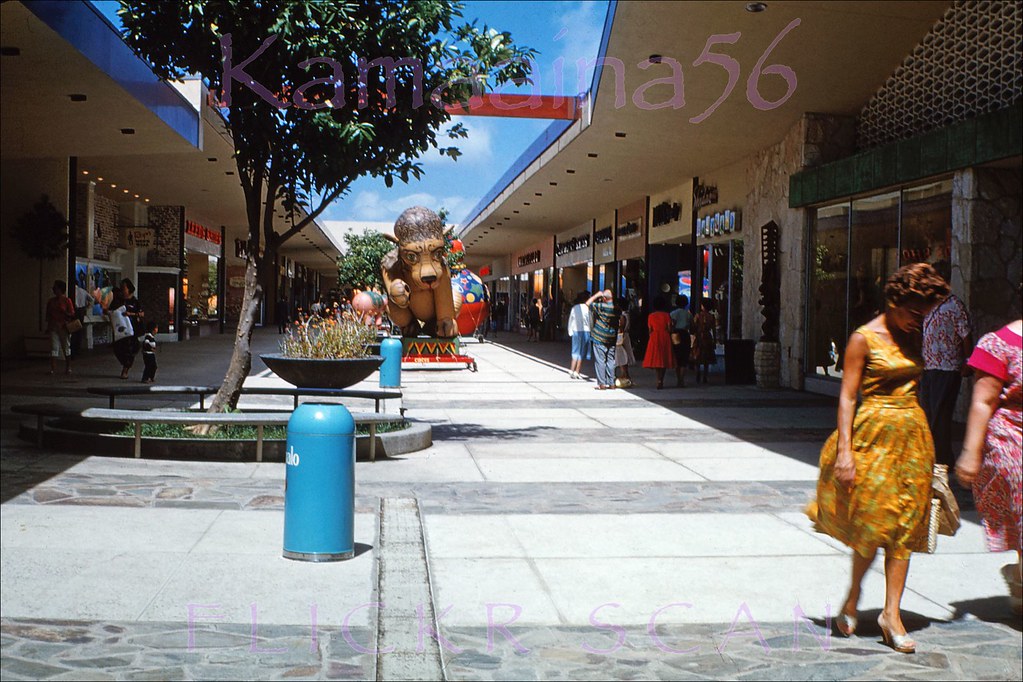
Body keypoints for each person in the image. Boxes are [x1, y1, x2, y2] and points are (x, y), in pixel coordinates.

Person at [806, 262, 949, 654]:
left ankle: (891, 614)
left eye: (925, 314)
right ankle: (852, 597)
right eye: (913, 312)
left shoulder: (914, 336)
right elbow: (848, 396)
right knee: (871, 527)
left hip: (912, 438)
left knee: (904, 527)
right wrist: (846, 453)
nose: (919, 321)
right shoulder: (863, 339)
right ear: (893, 301)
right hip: (872, 435)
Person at [955, 317, 1022, 616]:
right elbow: (983, 401)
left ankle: (1019, 577)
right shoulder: (1000, 343)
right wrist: (971, 451)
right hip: (1012, 437)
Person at [919, 262, 973, 470]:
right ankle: (936, 454)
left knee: (941, 414)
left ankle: (942, 459)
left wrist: (968, 362)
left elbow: (966, 335)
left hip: (948, 366)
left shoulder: (955, 305)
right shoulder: (928, 305)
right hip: (929, 365)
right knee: (930, 412)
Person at [109, 278, 143, 380]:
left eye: (124, 288)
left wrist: (131, 314)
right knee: (118, 349)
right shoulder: (119, 301)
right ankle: (124, 364)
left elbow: (141, 314)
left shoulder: (135, 302)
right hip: (120, 330)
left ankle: (125, 370)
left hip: (132, 330)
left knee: (129, 350)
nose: (123, 291)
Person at [587, 289, 617, 390]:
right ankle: (612, 383)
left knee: (600, 361)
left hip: (599, 337)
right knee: (611, 360)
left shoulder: (601, 306)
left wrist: (596, 295)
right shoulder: (617, 309)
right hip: (611, 338)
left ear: (604, 298)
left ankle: (602, 384)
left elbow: (587, 304)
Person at [643, 296, 675, 389]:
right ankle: (662, 379)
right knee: (664, 358)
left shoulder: (651, 316)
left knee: (657, 359)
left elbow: (650, 329)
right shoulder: (667, 315)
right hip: (665, 337)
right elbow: (669, 328)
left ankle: (658, 380)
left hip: (654, 337)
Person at [45, 280, 75, 375]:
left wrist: (64, 312)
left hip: (63, 326)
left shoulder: (67, 301)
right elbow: (48, 315)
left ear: (60, 289)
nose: (54, 290)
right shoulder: (51, 301)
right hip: (54, 326)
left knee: (66, 346)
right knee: (54, 347)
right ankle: (53, 368)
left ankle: (68, 366)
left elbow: (72, 314)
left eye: (55, 288)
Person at [567, 291, 592, 379]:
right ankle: (577, 371)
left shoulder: (574, 308)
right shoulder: (587, 308)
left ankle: (571, 369)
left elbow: (571, 320)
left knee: (575, 350)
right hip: (585, 331)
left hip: (576, 331)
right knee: (582, 352)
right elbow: (590, 321)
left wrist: (570, 331)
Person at [692, 298, 717, 384]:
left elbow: (694, 326)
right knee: (707, 357)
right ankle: (705, 376)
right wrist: (715, 340)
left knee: (697, 355)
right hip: (707, 337)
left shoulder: (698, 316)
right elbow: (713, 329)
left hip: (699, 337)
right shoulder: (711, 317)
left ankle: (698, 372)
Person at [670, 295, 693, 387]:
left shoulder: (673, 313)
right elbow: (691, 325)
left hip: (676, 334)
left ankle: (678, 378)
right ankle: (682, 379)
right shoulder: (688, 314)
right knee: (684, 357)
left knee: (677, 356)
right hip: (685, 334)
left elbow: (671, 325)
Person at [615, 300, 636, 388]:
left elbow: (621, 328)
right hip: (625, 336)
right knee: (624, 355)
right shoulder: (627, 314)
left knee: (621, 356)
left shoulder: (622, 316)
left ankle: (624, 375)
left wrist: (619, 338)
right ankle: (626, 375)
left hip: (621, 336)